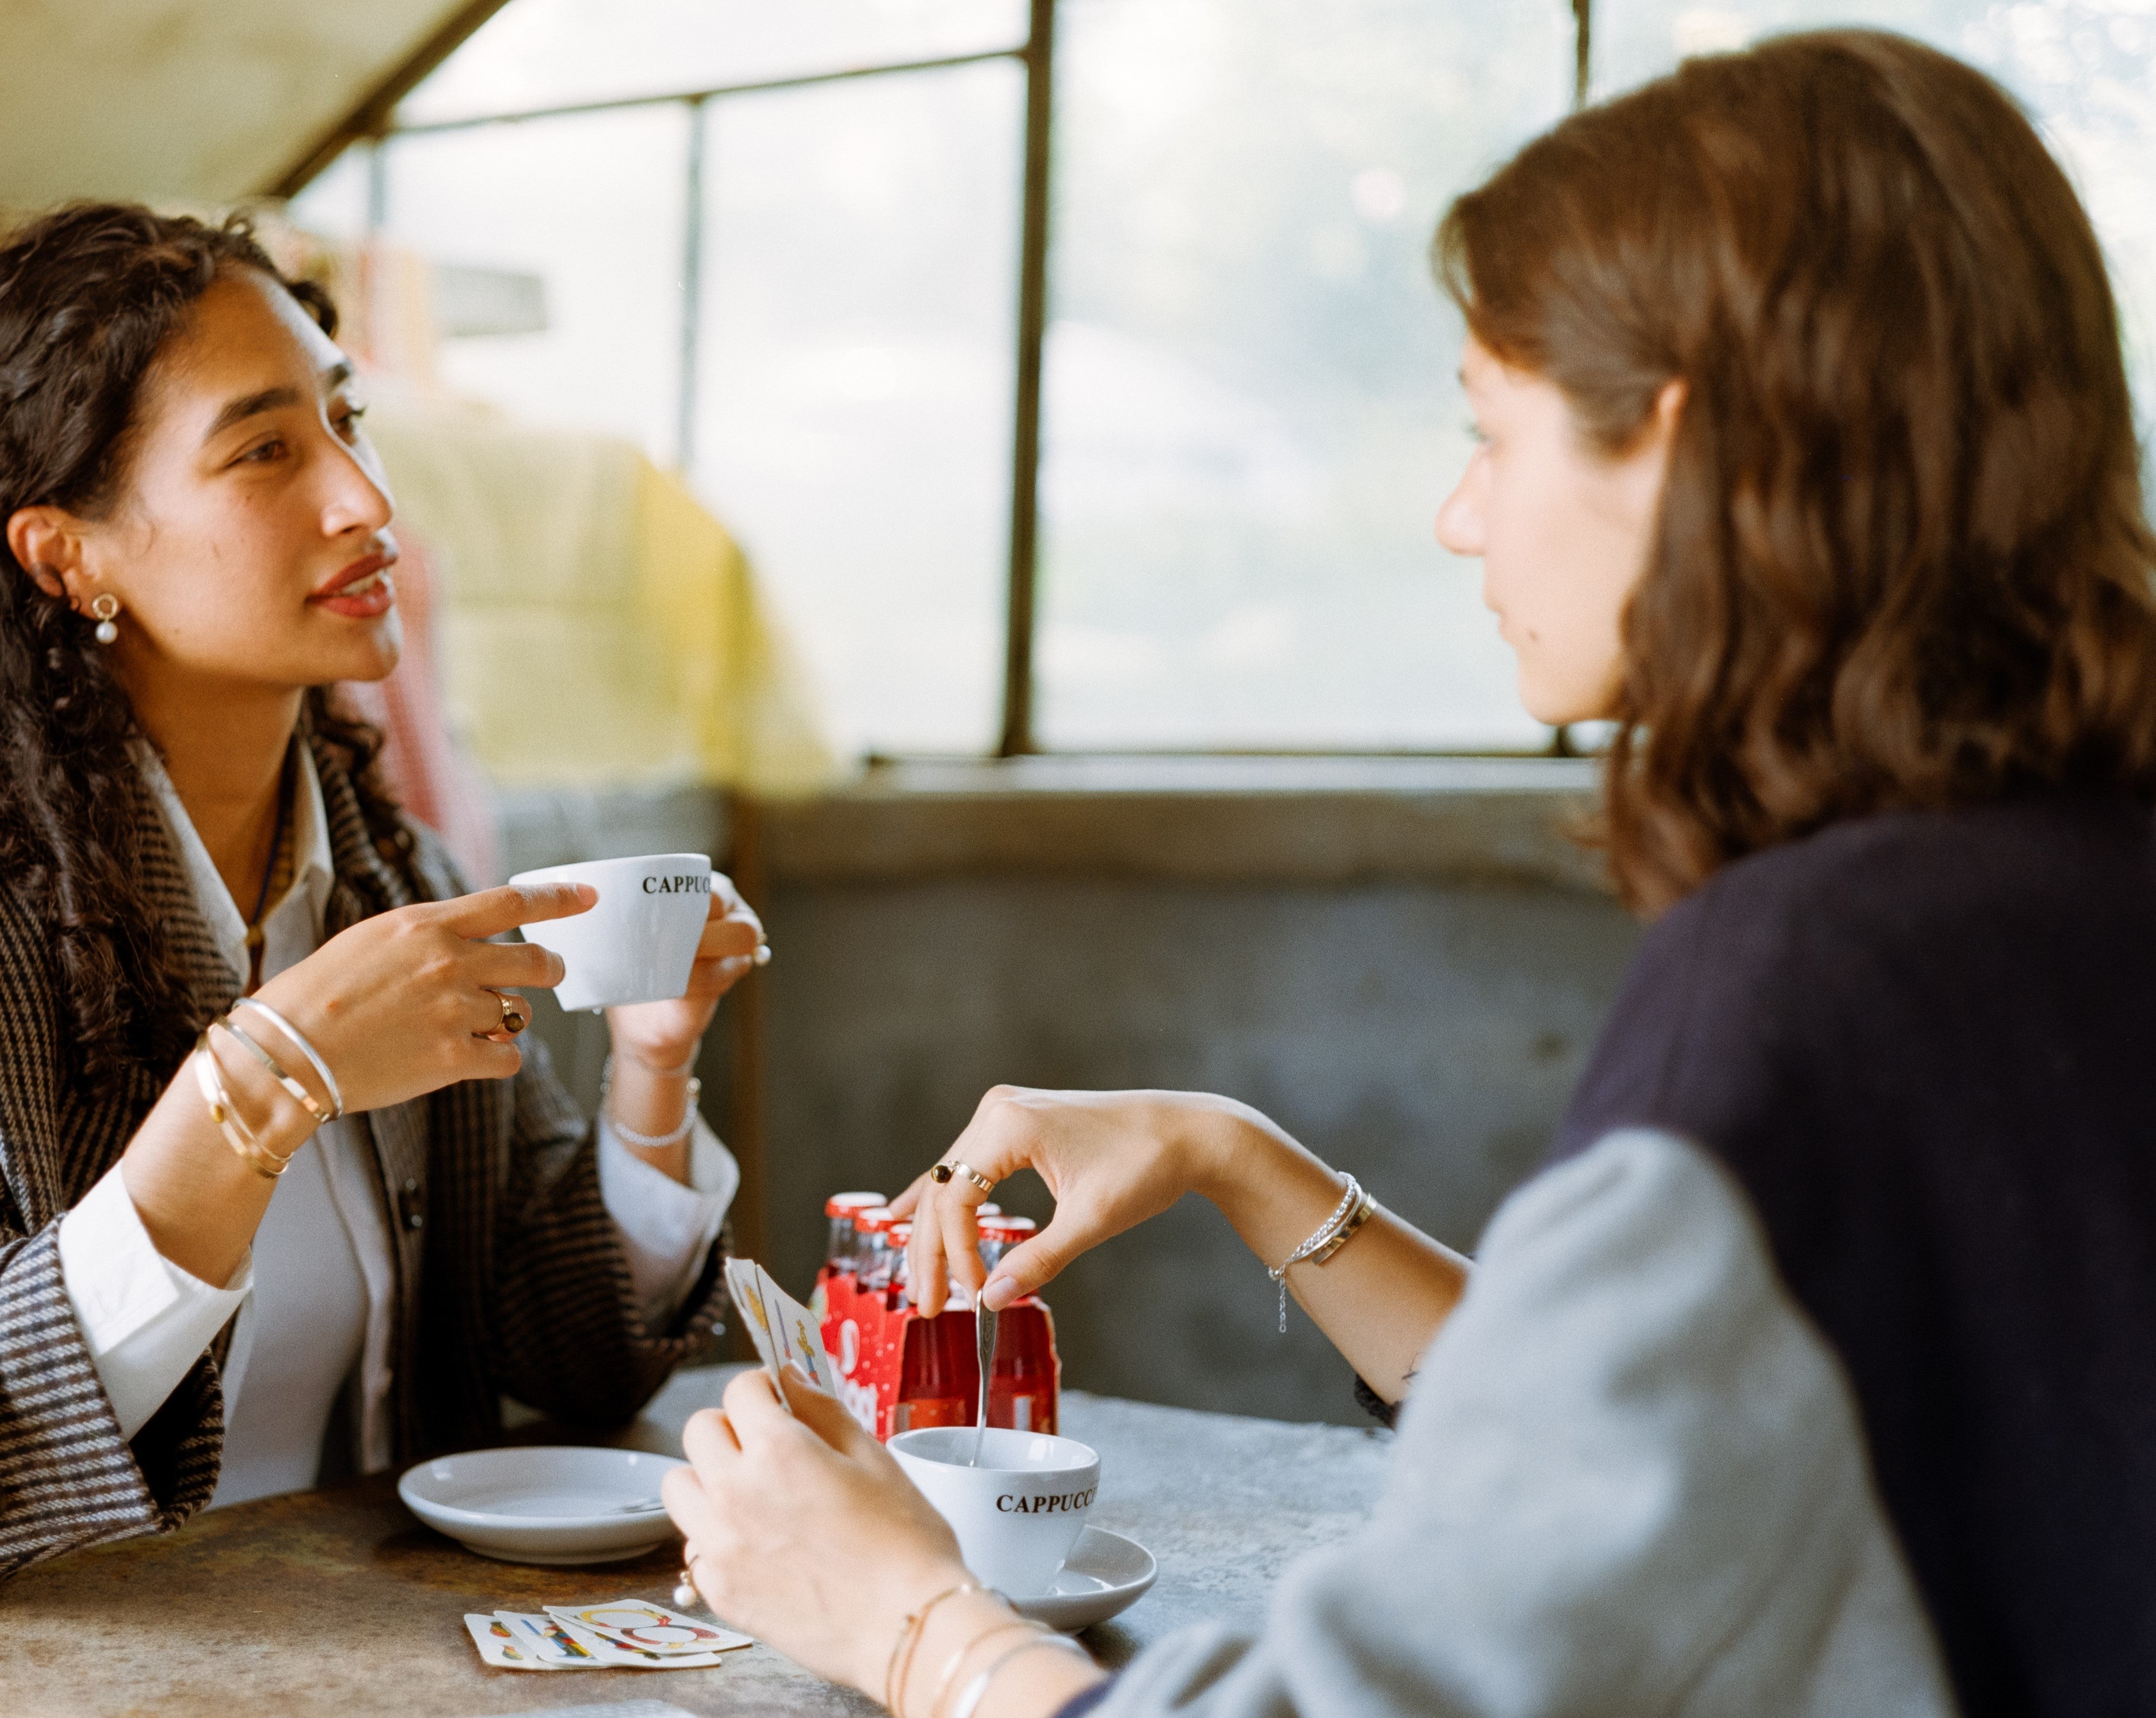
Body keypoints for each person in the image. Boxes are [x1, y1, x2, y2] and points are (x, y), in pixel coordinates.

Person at [663, 30, 2156, 1718]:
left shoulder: (1809, 995)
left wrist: (906, 1618)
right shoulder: (2063, 897)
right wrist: (1236, 1157)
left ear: (1678, 441)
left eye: (1492, 433)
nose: (1460, 518)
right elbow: (1661, 1460)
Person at [0, 205, 765, 1716]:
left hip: (260, 1676)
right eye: (266, 450)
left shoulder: (394, 881)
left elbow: (570, 1348)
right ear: (69, 555)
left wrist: (653, 1062)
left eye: (349, 421)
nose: (365, 497)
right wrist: (257, 1088)